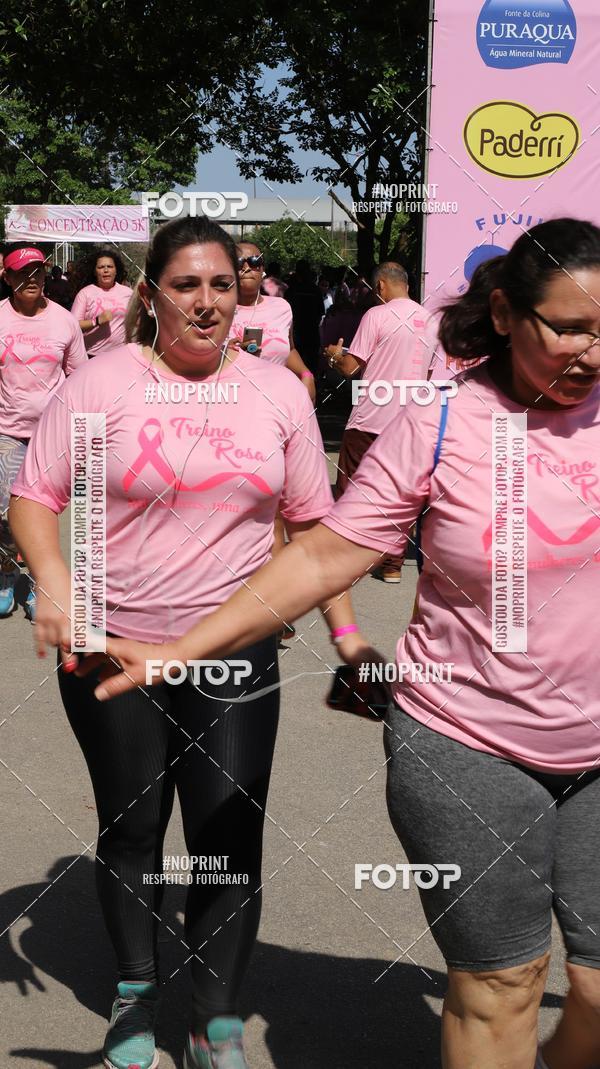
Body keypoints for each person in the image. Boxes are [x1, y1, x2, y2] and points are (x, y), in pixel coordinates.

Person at [84, 218, 600, 1069]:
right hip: (468, 743)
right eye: (570, 327)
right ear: (506, 314)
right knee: (504, 983)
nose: (589, 351)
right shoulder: (440, 422)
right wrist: (182, 647)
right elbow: (323, 552)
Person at [9, 215, 365, 1069]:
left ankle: (216, 1016)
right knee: (132, 831)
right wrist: (56, 591)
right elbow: (34, 493)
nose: (207, 303)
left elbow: (317, 530)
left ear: (241, 287)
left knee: (226, 836)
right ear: (150, 293)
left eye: (221, 282)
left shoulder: (277, 391)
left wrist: (349, 636)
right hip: (110, 645)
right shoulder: (102, 382)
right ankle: (135, 994)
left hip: (233, 651)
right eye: (185, 285)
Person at [325, 261, 439, 581]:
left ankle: (349, 560)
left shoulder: (376, 315)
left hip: (370, 419)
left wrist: (333, 355)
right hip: (411, 422)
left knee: (352, 489)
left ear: (380, 287)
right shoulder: (431, 320)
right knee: (402, 494)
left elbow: (350, 368)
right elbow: (428, 376)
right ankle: (392, 565)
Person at [0, 243, 86, 619]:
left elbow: (80, 377)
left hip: (51, 436)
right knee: (4, 513)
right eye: (22, 273)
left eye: (37, 272)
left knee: (43, 512)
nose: (31, 279)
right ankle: (5, 577)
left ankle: (38, 585)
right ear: (7, 278)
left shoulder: (64, 320)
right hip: (5, 432)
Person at [230, 242, 316, 402]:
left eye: (255, 261)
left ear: (262, 269)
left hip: (277, 401)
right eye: (239, 262)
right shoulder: (217, 310)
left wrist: (306, 374)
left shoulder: (281, 307)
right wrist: (225, 352)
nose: (247, 267)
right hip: (233, 401)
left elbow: (289, 350)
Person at [71, 248, 132, 357]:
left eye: (110, 266)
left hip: (120, 355)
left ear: (116, 270)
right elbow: (73, 325)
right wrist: (97, 321)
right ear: (95, 271)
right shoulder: (85, 293)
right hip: (92, 355)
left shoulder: (128, 293)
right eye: (101, 267)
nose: (106, 270)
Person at [285, 260, 325, 373]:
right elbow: (320, 313)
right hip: (309, 333)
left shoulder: (291, 291)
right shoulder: (315, 290)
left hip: (297, 333)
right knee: (311, 364)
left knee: (296, 365)